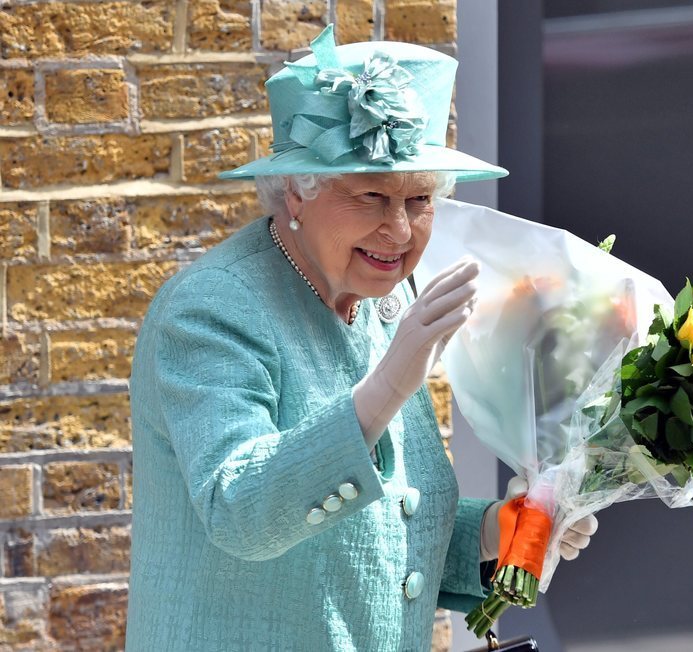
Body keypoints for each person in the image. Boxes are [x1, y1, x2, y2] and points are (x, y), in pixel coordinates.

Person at [125, 25, 598, 651]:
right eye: (372, 195)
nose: (399, 230)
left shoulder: (383, 301)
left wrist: (496, 531)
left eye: (420, 198)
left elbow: (386, 521)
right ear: (296, 189)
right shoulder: (210, 312)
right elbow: (240, 511)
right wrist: (386, 389)